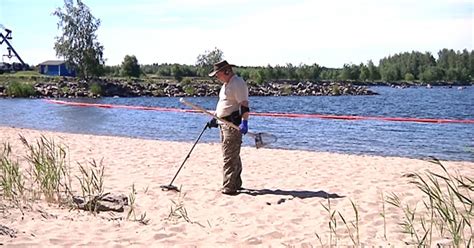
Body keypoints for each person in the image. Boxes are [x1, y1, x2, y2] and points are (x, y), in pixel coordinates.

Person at [207, 60, 250, 195]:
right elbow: (223, 104)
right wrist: (215, 118)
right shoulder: (226, 85)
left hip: (232, 125)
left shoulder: (237, 83)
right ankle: (236, 183)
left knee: (229, 156)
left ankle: (229, 187)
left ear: (226, 71)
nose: (216, 77)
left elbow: (244, 104)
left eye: (217, 74)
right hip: (223, 123)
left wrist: (245, 122)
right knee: (232, 155)